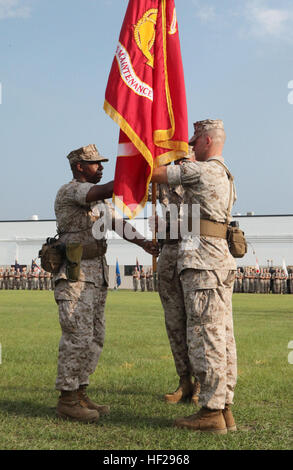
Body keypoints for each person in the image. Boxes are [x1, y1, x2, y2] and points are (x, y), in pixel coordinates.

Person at [53, 144, 158, 424]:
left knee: (95, 336)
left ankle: (81, 391)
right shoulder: (72, 190)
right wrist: (132, 175)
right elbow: (104, 190)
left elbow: (119, 224)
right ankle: (67, 398)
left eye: (101, 163)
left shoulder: (99, 202)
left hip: (95, 276)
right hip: (74, 276)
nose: (100, 167)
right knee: (77, 335)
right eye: (95, 164)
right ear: (79, 167)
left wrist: (145, 243)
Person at [151, 119, 238, 434]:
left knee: (206, 336)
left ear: (205, 141)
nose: (189, 146)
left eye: (193, 141)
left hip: (203, 263)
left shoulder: (203, 170)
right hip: (216, 261)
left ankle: (211, 412)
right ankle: (223, 408)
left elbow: (157, 173)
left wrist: (141, 154)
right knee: (222, 336)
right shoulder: (224, 173)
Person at [149, 161, 200, 406]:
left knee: (197, 320)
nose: (180, 160)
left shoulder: (201, 177)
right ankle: (184, 380)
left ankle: (202, 381)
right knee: (174, 322)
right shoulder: (161, 182)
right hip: (169, 253)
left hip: (195, 252)